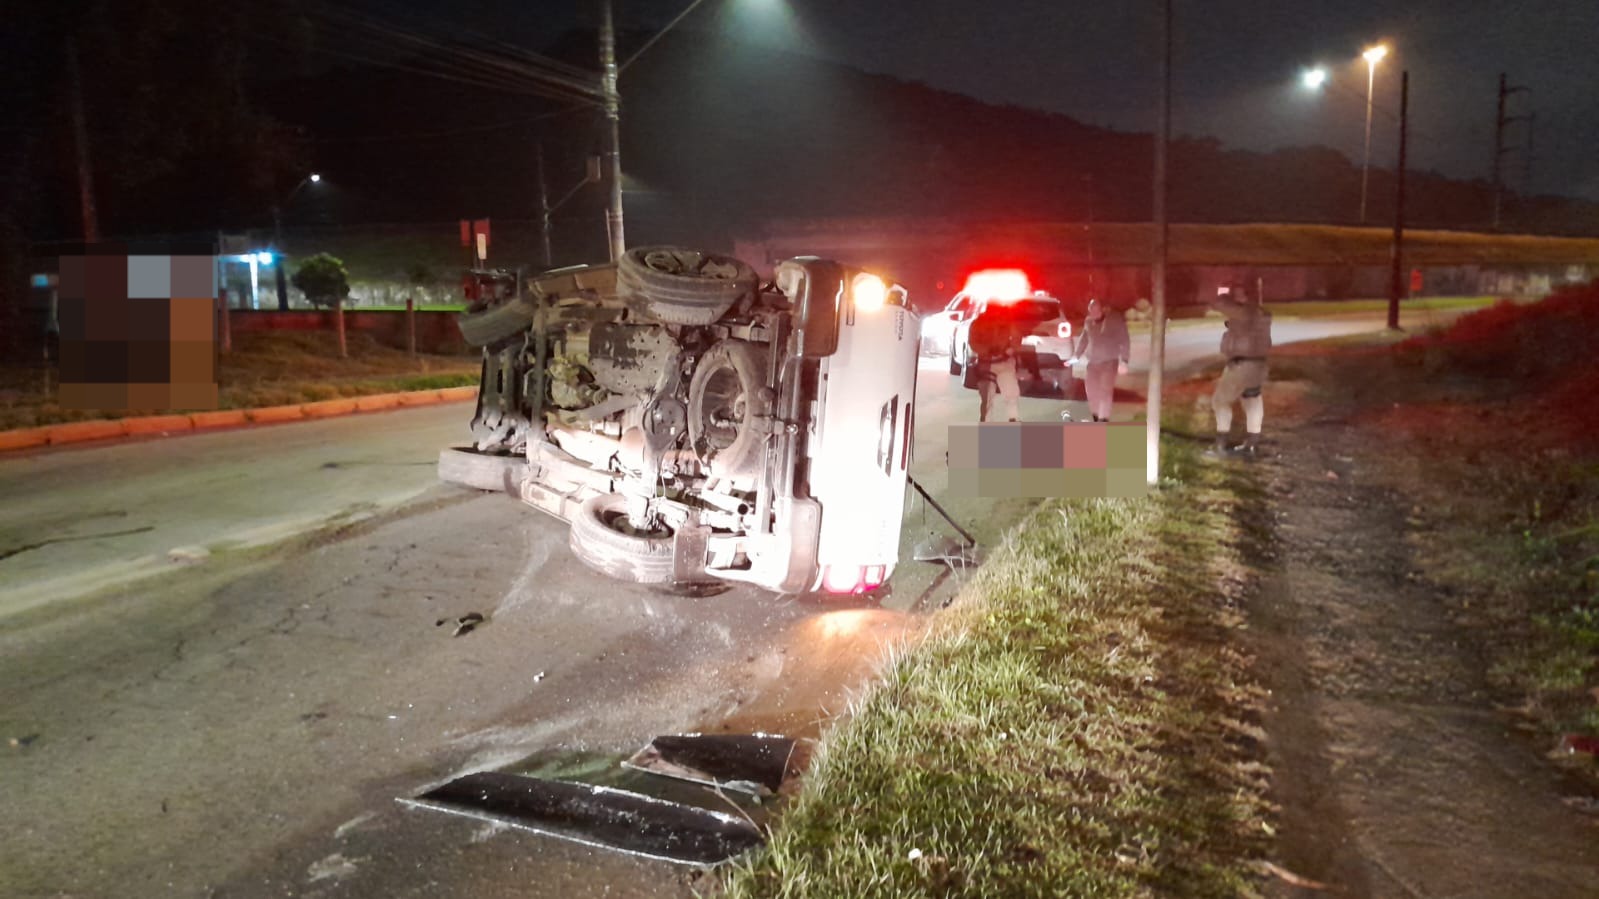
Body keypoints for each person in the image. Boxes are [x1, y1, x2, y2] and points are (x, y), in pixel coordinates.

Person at [1208, 285, 1273, 455]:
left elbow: (1218, 303)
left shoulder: (1244, 312)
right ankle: (1252, 442)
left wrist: (1222, 291)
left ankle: (1221, 443)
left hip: (1241, 366)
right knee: (1251, 399)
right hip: (1258, 365)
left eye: (1238, 293)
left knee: (1220, 401)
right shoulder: (1262, 313)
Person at [1068, 298, 1129, 422]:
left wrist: (1124, 360)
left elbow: (1124, 340)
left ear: (1101, 309)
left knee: (1105, 391)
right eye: (1091, 311)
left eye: (1096, 310)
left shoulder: (1114, 320)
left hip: (1109, 362)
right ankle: (1094, 417)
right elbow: (1084, 339)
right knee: (1091, 390)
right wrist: (1076, 356)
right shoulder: (1088, 321)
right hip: (1093, 363)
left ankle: (1103, 419)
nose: (1094, 313)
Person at [966, 303, 1021, 423]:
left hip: (1004, 363)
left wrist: (1010, 349)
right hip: (986, 364)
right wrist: (987, 351)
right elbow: (973, 342)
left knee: (1011, 394)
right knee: (987, 399)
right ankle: (986, 423)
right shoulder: (979, 323)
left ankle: (1013, 420)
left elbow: (1016, 338)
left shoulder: (1007, 322)